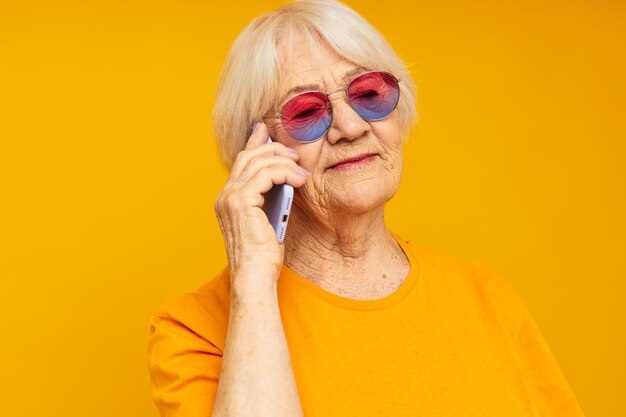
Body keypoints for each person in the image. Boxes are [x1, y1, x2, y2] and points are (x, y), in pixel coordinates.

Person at [147, 1, 586, 416]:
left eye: (368, 93)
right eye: (305, 112)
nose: (351, 127)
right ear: (258, 151)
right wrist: (254, 279)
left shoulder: (488, 297)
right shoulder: (195, 329)